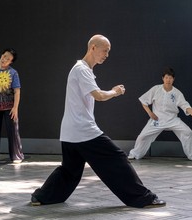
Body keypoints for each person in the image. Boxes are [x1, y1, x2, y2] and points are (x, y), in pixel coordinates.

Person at [31, 34, 166, 208]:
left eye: (108, 52)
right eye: (105, 50)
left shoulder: (82, 69)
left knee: (70, 170)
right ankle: (143, 198)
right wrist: (115, 91)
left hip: (70, 131)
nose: (107, 55)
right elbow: (99, 95)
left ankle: (42, 197)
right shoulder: (82, 70)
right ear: (93, 47)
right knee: (117, 159)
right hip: (83, 130)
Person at [128, 67, 192, 162]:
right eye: (166, 77)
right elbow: (144, 101)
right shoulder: (156, 89)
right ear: (163, 78)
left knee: (188, 132)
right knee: (143, 136)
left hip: (173, 120)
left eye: (170, 78)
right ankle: (134, 154)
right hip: (157, 120)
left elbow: (185, 105)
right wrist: (150, 113)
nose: (168, 80)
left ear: (173, 79)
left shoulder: (177, 93)